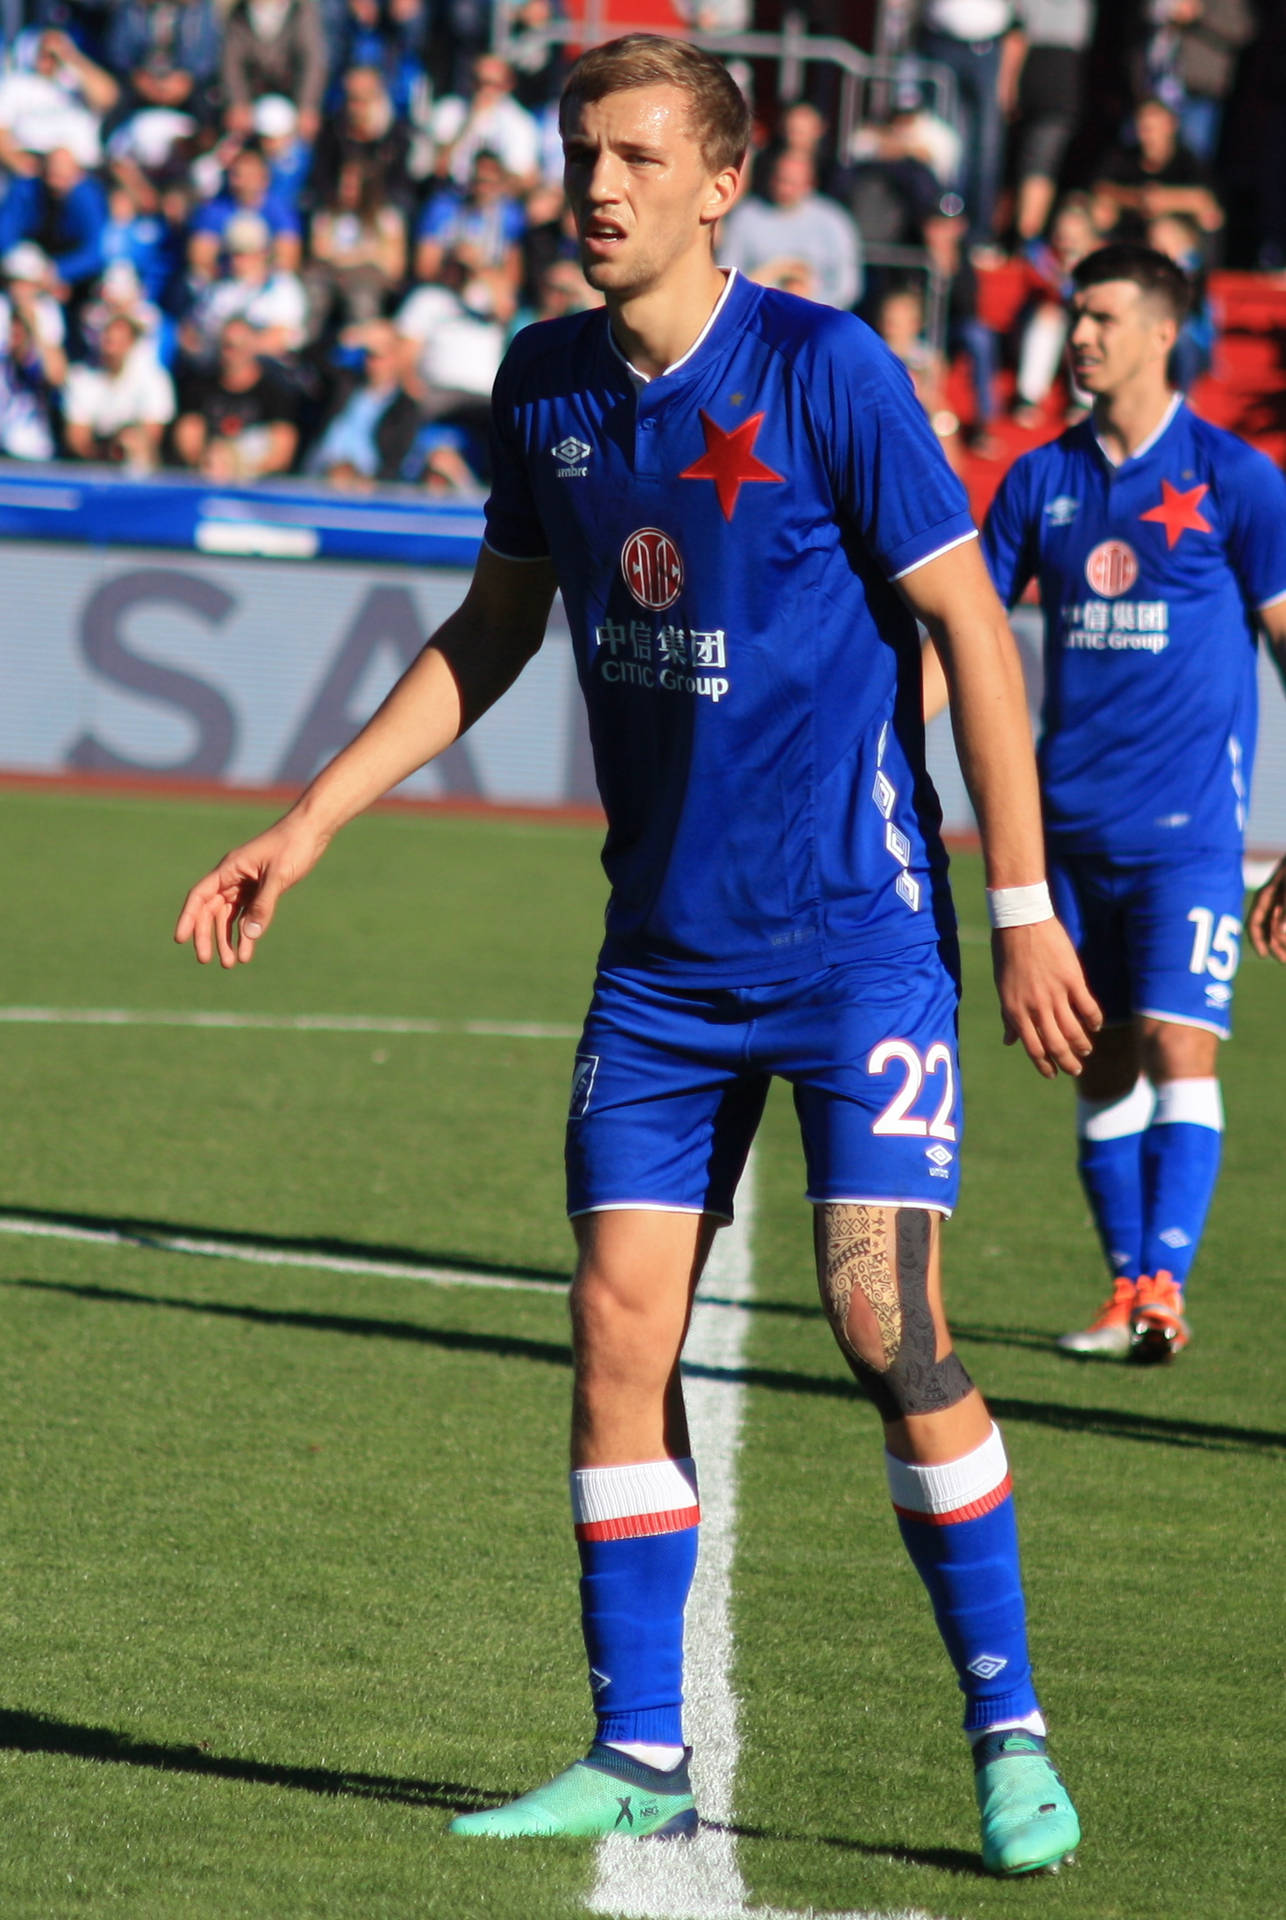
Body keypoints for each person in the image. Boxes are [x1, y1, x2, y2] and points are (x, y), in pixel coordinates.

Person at [175, 33, 1097, 1878]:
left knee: (884, 1326)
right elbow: (489, 630)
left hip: (859, 949)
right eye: (578, 152)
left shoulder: (827, 368)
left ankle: (1006, 1727)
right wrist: (312, 819)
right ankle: (635, 1748)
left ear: (720, 179)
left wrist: (1018, 906)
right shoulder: (541, 388)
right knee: (615, 1334)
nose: (595, 186)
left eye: (631, 158)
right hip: (662, 967)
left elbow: (972, 637)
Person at [929, 242, 1286, 1361]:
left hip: (1188, 840)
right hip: (1062, 839)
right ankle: (1125, 1284)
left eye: (1097, 317)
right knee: (1099, 1063)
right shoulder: (1038, 481)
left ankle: (1164, 1289)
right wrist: (875, 741)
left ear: (1160, 333)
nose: (1075, 334)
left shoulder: (1237, 481)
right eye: (1074, 316)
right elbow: (968, 641)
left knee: (1182, 1044)